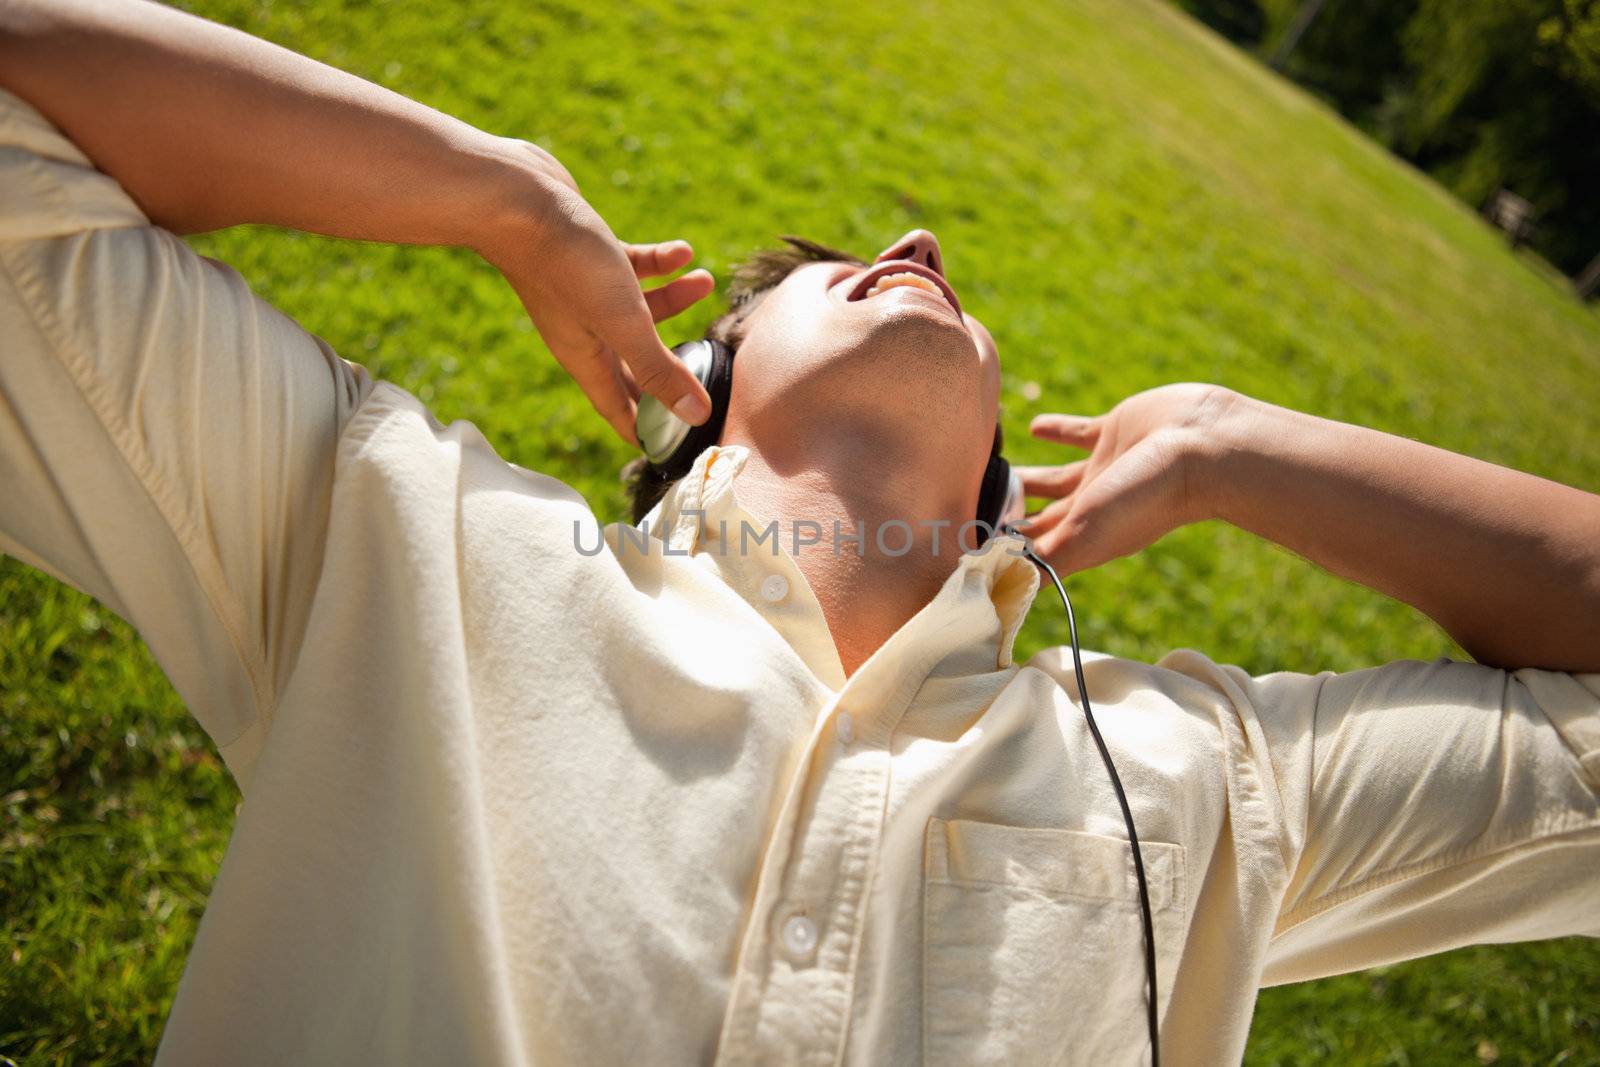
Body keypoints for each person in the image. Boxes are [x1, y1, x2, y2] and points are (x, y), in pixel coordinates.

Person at [1, 2, 1596, 1065]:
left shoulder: (1203, 779)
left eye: (932, 277)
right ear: (695, 386)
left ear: (991, 489)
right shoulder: (401, 534)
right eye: (837, 268)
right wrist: (496, 196)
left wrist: (1247, 451)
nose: (918, 245)